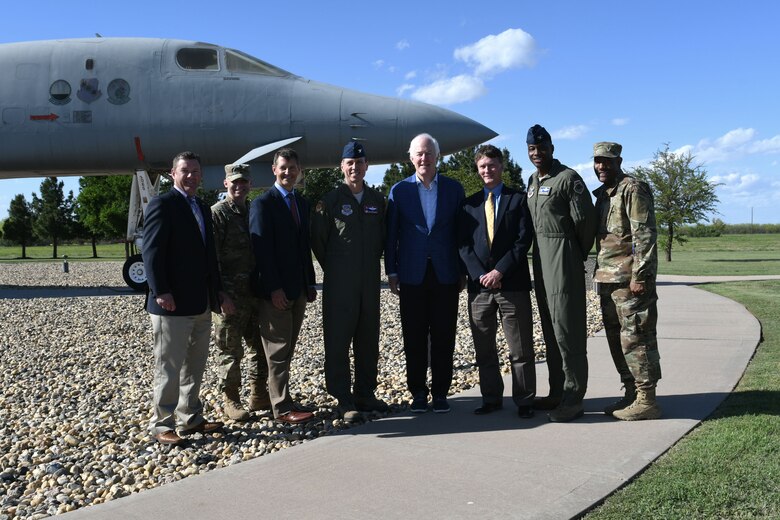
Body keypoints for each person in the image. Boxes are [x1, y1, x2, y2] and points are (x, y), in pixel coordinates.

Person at [142, 151, 235, 445]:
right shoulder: (162, 204)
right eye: (186, 171)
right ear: (173, 174)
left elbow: (210, 257)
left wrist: (218, 292)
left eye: (196, 171)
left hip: (200, 302)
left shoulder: (203, 208)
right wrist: (161, 291)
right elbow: (151, 252)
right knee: (169, 367)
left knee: (194, 365)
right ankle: (162, 424)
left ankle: (190, 417)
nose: (192, 176)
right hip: (171, 304)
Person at [385, 133, 465, 414]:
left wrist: (462, 271)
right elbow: (391, 235)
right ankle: (418, 392)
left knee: (444, 335)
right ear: (411, 158)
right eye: (419, 153)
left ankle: (441, 392)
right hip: (411, 274)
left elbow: (461, 234)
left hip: (445, 273)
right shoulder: (398, 191)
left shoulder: (454, 190)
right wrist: (391, 272)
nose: (424, 158)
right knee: (414, 336)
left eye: (429, 153)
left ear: (437, 156)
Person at [310, 142, 388, 422]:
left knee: (369, 339)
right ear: (342, 166)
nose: (355, 168)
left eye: (360, 162)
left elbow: (384, 239)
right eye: (349, 163)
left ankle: (365, 393)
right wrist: (338, 268)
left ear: (367, 166)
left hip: (369, 283)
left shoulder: (377, 201)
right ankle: (343, 398)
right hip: (340, 284)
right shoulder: (329, 202)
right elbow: (318, 241)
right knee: (338, 340)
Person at [458, 144, 536, 419]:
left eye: (492, 165)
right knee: (484, 349)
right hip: (479, 289)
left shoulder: (518, 200)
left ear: (501, 167)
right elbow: (463, 246)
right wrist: (481, 275)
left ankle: (525, 400)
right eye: (482, 166)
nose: (487, 170)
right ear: (477, 170)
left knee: (520, 349)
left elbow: (522, 240)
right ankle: (491, 398)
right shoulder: (469, 205)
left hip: (511, 284)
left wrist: (499, 271)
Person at [526, 125, 596, 422]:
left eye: (542, 148)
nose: (537, 153)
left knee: (568, 330)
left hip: (564, 258)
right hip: (541, 261)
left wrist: (573, 253)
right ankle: (557, 391)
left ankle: (574, 397)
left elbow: (586, 222)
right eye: (531, 149)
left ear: (552, 148)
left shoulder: (568, 179)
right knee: (551, 330)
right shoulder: (532, 180)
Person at [592, 141, 662, 421]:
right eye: (597, 161)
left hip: (631, 281)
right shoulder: (606, 194)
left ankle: (648, 399)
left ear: (618, 161)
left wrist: (641, 276)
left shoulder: (633, 189)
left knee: (637, 338)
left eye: (607, 161)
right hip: (609, 279)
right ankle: (631, 392)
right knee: (617, 339)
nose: (601, 166)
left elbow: (644, 235)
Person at [249, 148, 317, 425]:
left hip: (298, 288)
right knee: (276, 350)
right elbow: (261, 251)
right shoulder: (262, 204)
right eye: (283, 168)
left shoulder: (301, 203)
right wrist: (274, 288)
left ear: (299, 170)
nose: (288, 172)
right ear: (274, 170)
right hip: (276, 292)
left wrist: (310, 282)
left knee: (287, 348)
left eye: (292, 167)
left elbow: (304, 248)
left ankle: (281, 397)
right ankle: (281, 407)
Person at [211, 163, 270, 421]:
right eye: (234, 182)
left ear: (250, 184)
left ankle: (258, 393)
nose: (239, 186)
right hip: (230, 298)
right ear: (226, 184)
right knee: (230, 350)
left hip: (254, 294)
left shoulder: (253, 211)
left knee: (260, 347)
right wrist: (220, 294)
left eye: (243, 182)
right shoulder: (219, 213)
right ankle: (230, 399)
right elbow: (210, 259)